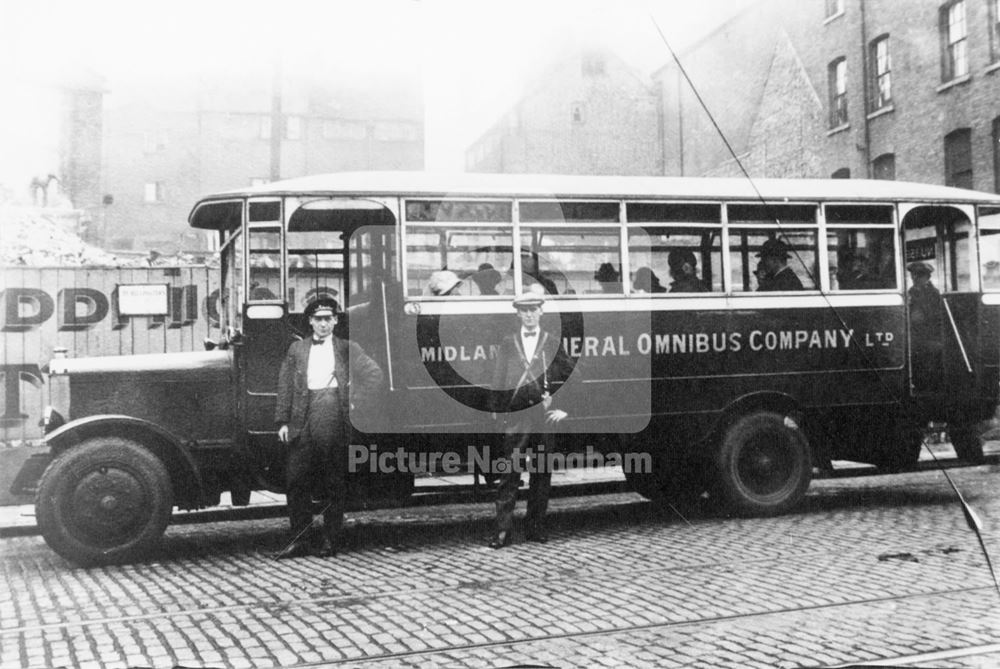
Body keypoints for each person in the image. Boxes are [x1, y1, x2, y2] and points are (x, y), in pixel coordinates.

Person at [274, 297, 383, 559]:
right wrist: (283, 421)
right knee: (296, 480)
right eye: (318, 319)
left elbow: (374, 375)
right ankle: (300, 539)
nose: (323, 324)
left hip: (332, 413)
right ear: (310, 321)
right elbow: (285, 385)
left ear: (335, 320)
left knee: (332, 480)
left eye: (328, 319)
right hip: (302, 415)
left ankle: (331, 539)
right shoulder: (296, 349)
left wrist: (353, 402)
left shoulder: (348, 347)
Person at [488, 287, 573, 548]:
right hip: (517, 414)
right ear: (518, 315)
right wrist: (498, 410)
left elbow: (572, 376)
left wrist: (565, 408)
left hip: (543, 415)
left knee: (541, 472)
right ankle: (502, 531)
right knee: (510, 472)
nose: (528, 316)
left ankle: (535, 527)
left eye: (532, 310)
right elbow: (498, 379)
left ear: (541, 311)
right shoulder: (508, 342)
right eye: (523, 311)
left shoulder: (552, 341)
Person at [907, 262, 943, 392]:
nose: (913, 279)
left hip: (930, 336)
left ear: (926, 277)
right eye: (913, 276)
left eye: (917, 276)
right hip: (917, 335)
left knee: (928, 365)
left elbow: (935, 315)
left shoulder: (933, 294)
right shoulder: (912, 291)